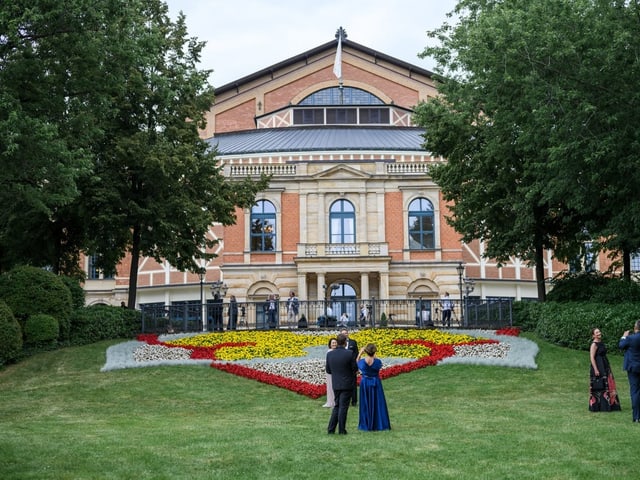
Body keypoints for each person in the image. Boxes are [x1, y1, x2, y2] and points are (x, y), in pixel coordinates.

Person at [326, 333, 358, 435]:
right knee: (343, 407)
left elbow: (328, 370)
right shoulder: (349, 353)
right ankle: (341, 430)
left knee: (337, 405)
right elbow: (355, 369)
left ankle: (331, 429)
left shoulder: (330, 354)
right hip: (347, 383)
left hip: (336, 383)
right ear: (345, 342)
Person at [356, 343, 391, 431]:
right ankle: (379, 423)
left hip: (365, 382)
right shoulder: (377, 362)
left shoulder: (362, 362)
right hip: (375, 382)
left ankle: (366, 423)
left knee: (365, 402)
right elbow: (378, 365)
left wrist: (360, 354)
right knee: (378, 402)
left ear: (366, 351)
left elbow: (357, 363)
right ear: (374, 352)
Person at [588, 327, 621, 412]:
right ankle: (599, 406)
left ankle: (610, 404)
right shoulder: (594, 344)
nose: (599, 333)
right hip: (598, 366)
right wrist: (596, 369)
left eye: (599, 331)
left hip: (605, 365)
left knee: (609, 383)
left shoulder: (601, 343)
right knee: (600, 385)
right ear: (593, 335)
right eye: (596, 332)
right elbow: (592, 357)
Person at [619, 320, 640, 422]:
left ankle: (636, 416)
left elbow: (621, 345)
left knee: (635, 391)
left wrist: (624, 336)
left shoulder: (630, 338)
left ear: (635, 327)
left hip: (633, 367)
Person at [341, 328, 359, 406]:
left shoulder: (353, 342)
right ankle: (345, 400)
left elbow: (357, 354)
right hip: (343, 367)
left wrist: (357, 366)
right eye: (343, 333)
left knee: (353, 384)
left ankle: (354, 401)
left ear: (348, 334)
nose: (345, 334)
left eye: (346, 333)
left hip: (352, 367)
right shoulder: (339, 343)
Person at [323, 337, 338, 408]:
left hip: (337, 372)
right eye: (333, 343)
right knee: (330, 387)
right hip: (330, 372)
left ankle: (335, 402)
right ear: (330, 344)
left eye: (335, 343)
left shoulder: (338, 351)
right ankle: (330, 401)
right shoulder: (329, 352)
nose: (334, 344)